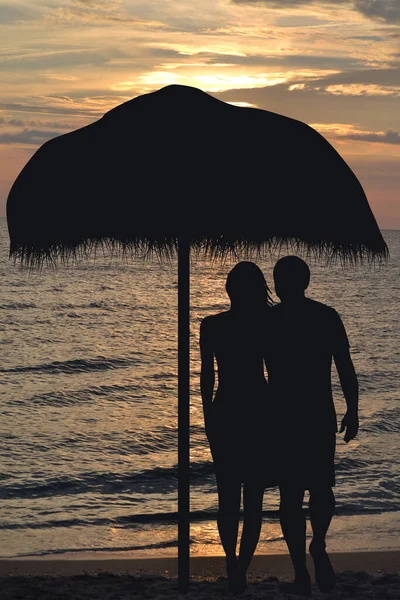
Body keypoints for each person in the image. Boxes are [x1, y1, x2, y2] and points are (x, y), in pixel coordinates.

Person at [265, 256, 359, 596]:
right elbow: (345, 367)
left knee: (294, 494)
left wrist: (354, 408)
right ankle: (314, 549)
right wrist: (352, 408)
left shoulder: (271, 320)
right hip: (314, 413)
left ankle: (304, 565)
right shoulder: (325, 316)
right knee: (317, 488)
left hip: (287, 415)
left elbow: (344, 365)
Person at [200, 261, 276, 593]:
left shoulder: (212, 325)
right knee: (254, 498)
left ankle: (232, 561)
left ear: (229, 289)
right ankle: (240, 567)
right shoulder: (267, 325)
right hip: (259, 411)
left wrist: (207, 415)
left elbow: (207, 376)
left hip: (225, 410)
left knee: (227, 495)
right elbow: (275, 376)